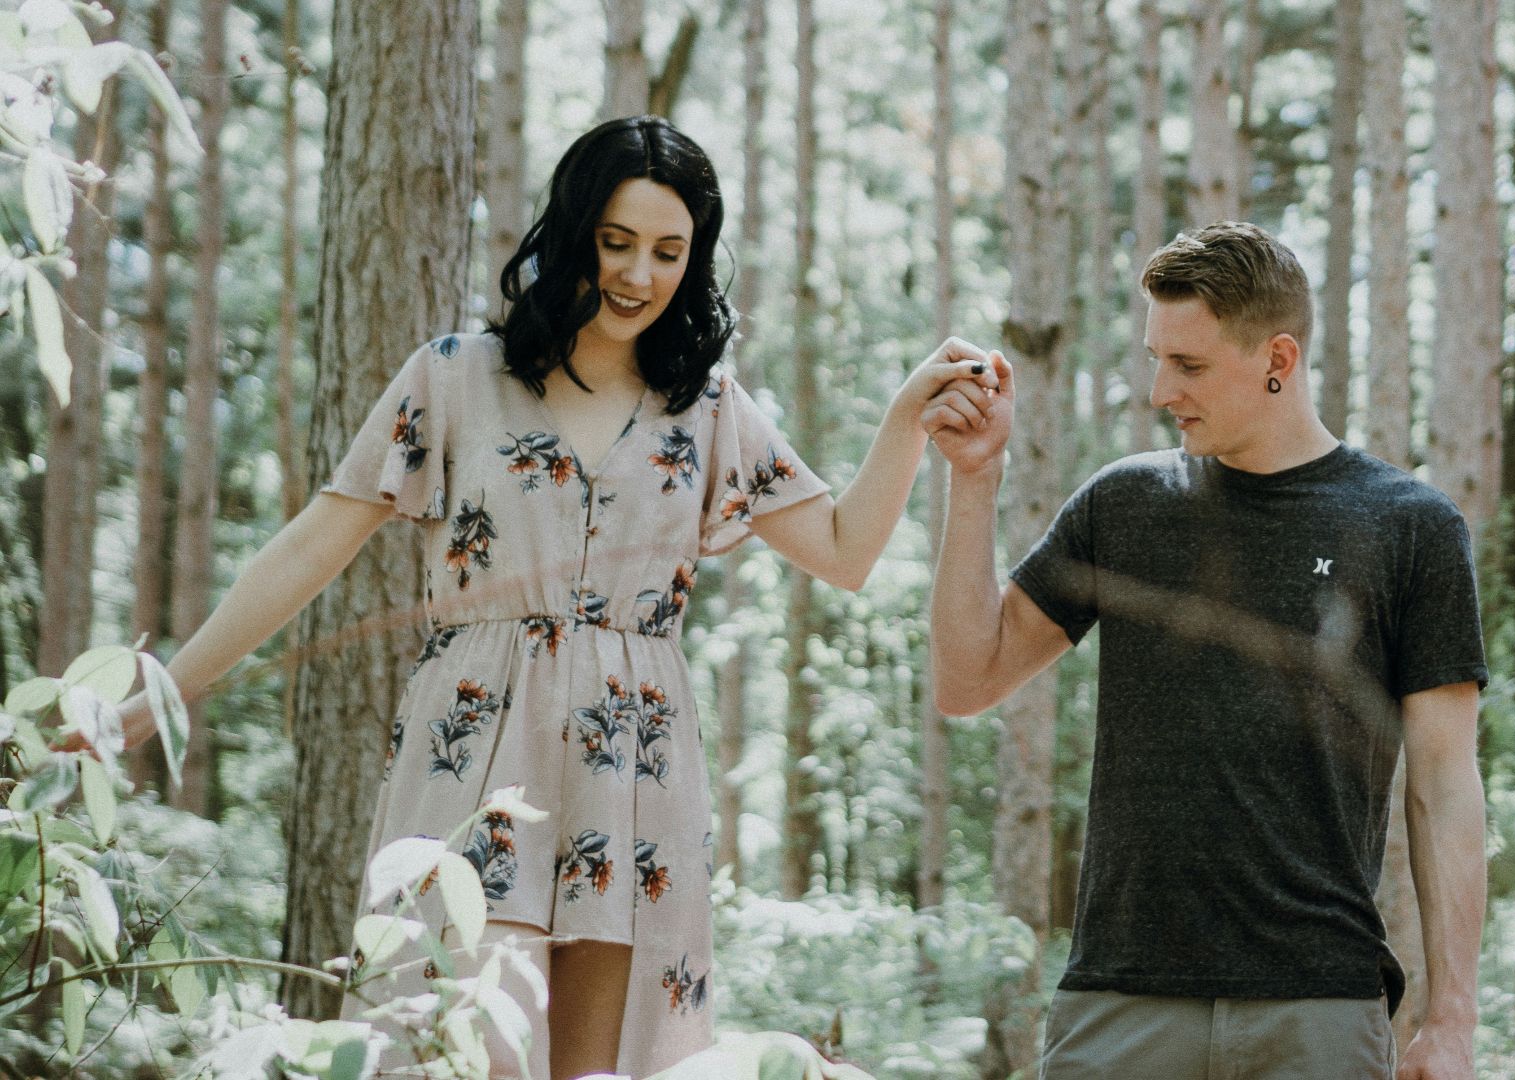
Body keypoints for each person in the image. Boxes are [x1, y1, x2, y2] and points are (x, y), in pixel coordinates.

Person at [114, 116, 1000, 1080]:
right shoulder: (455, 378)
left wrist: (909, 414)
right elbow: (304, 552)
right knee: (455, 1050)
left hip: (635, 775)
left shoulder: (705, 408)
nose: (638, 275)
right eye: (616, 242)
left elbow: (842, 550)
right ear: (571, 233)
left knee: (603, 1071)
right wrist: (152, 701)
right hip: (474, 758)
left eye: (669, 252)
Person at [922, 222, 1487, 1080]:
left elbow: (1445, 788)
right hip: (1120, 1001)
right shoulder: (1125, 504)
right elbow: (967, 680)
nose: (1159, 389)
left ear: (1278, 359)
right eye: (1156, 357)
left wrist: (1451, 1019)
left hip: (1317, 1007)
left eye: (1187, 366)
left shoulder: (1411, 528)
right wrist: (974, 482)